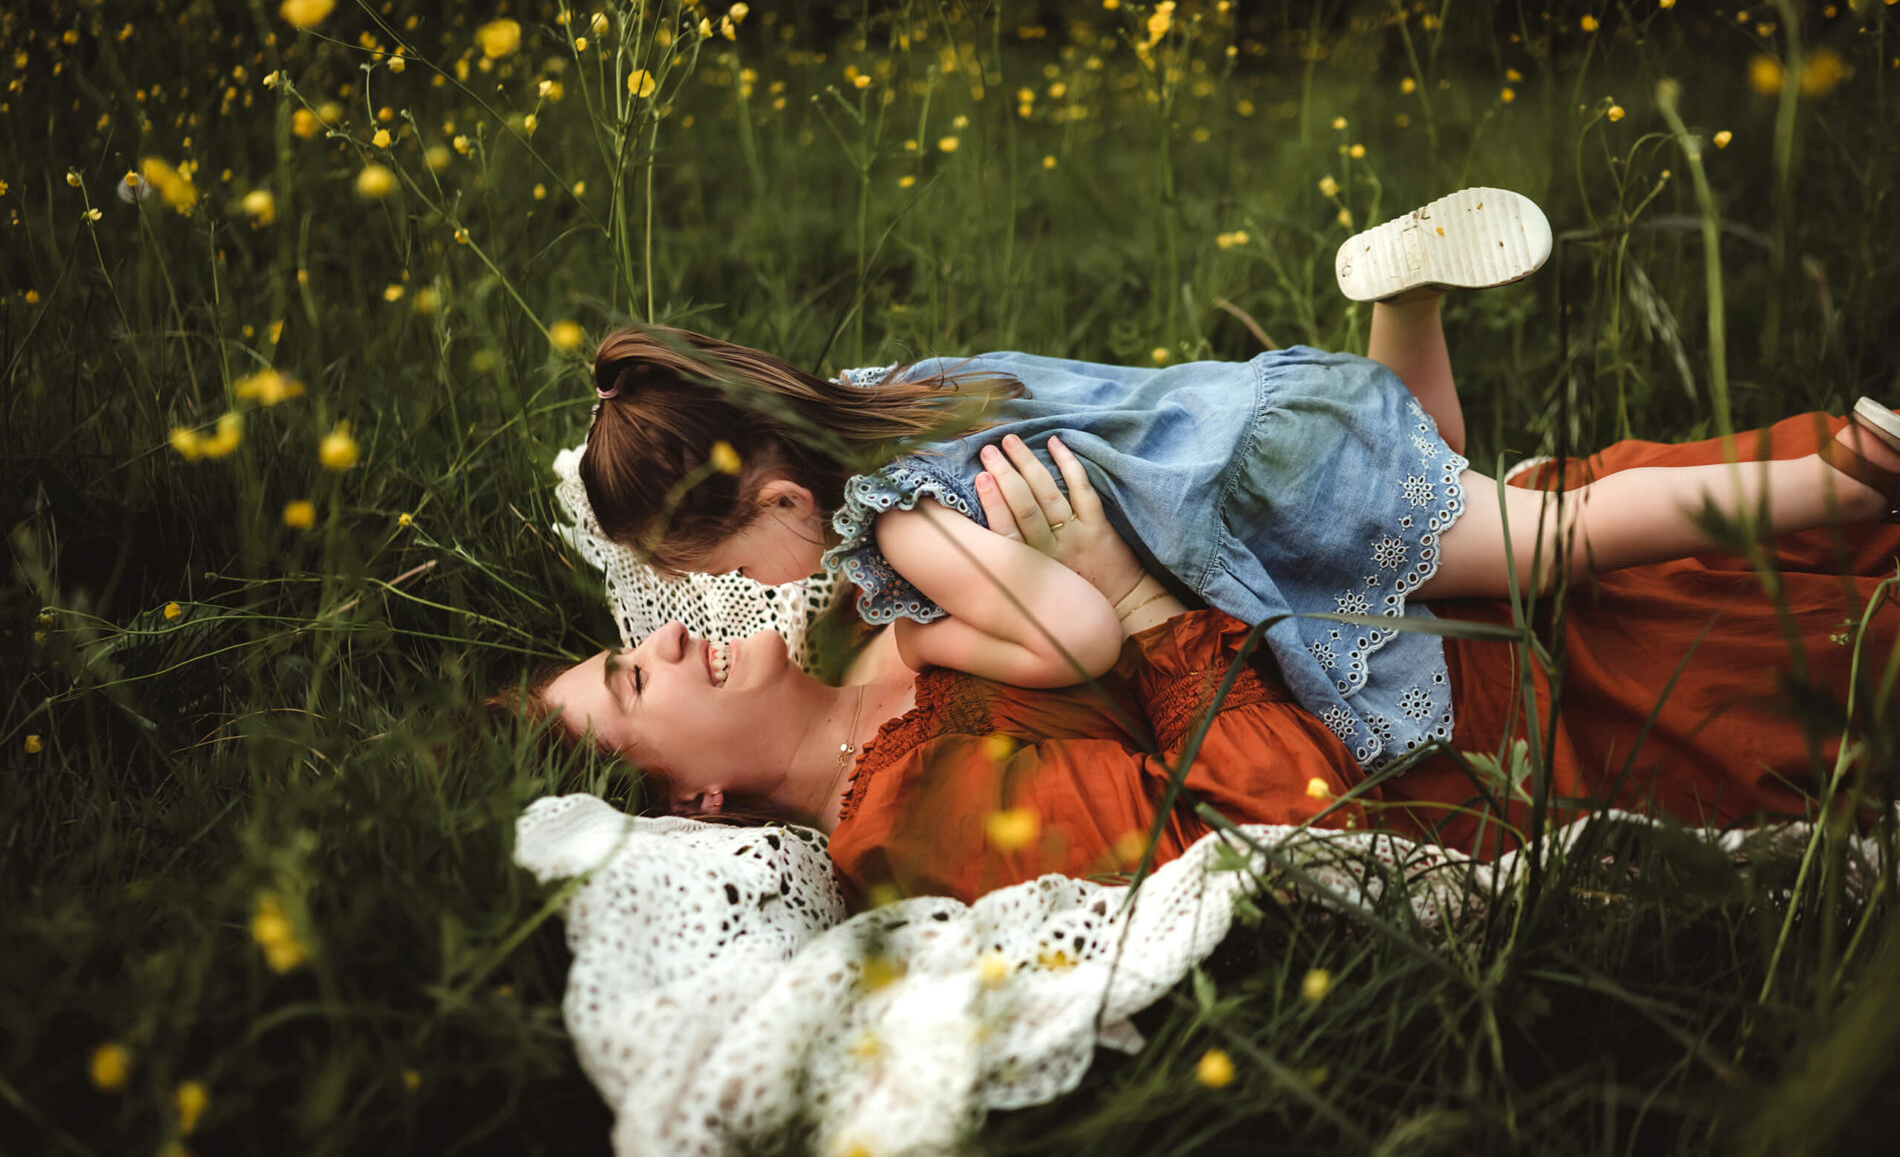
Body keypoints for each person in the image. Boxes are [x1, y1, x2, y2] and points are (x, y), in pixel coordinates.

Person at [577, 187, 1900, 768]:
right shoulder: (896, 395)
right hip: (1270, 421)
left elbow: (1079, 630)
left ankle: (1847, 479)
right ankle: (1404, 305)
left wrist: (934, 636)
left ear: (781, 502)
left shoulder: (902, 527)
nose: (755, 591)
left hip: (1277, 491)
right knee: (1449, 484)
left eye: (732, 565)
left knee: (1556, 540)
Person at [537, 417, 1900, 910]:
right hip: (1515, 707)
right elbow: (1268, 834)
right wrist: (1136, 603)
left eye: (632, 637)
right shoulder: (910, 819)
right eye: (636, 680)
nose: (669, 634)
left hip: (1451, 574)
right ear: (691, 805)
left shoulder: (867, 616)